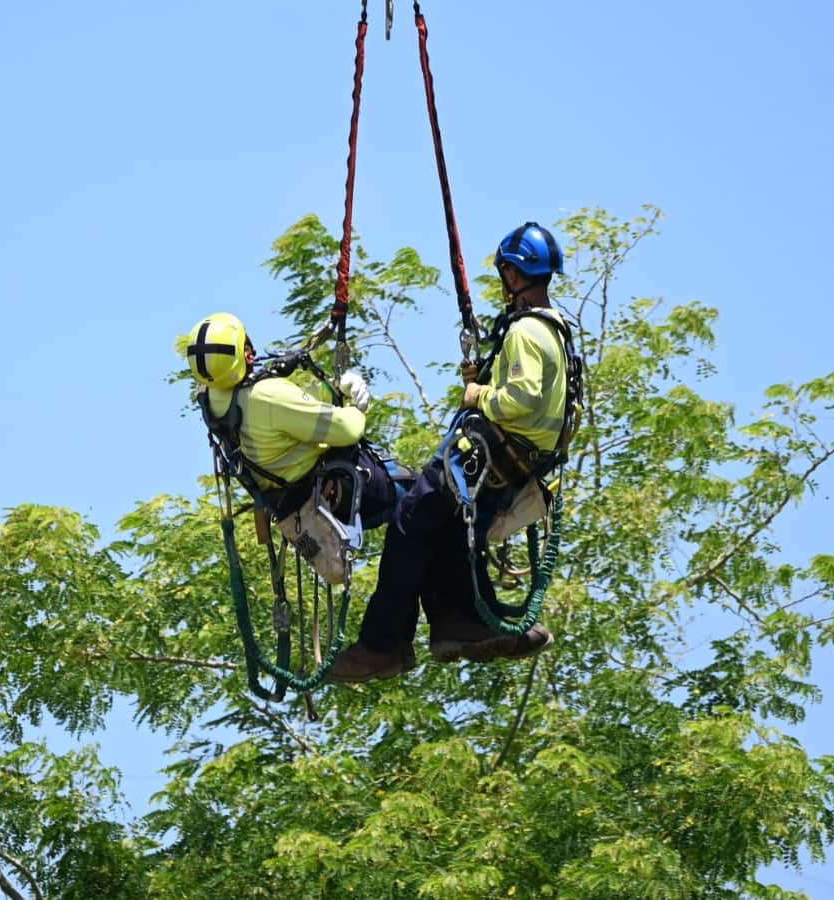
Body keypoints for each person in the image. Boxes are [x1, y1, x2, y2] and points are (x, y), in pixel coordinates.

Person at [328, 222, 572, 683]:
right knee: (450, 533)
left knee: (408, 523)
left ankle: (382, 645)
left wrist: (477, 394)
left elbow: (519, 399)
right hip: (516, 465)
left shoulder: (525, 332)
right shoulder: (556, 330)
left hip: (488, 456)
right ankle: (460, 623)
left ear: (514, 274)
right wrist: (486, 378)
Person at [184, 311, 407, 593]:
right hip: (338, 492)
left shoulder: (212, 398)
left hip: (291, 503)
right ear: (246, 355)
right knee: (424, 498)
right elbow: (348, 429)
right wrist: (356, 403)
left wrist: (330, 389)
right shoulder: (267, 396)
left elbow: (294, 409)